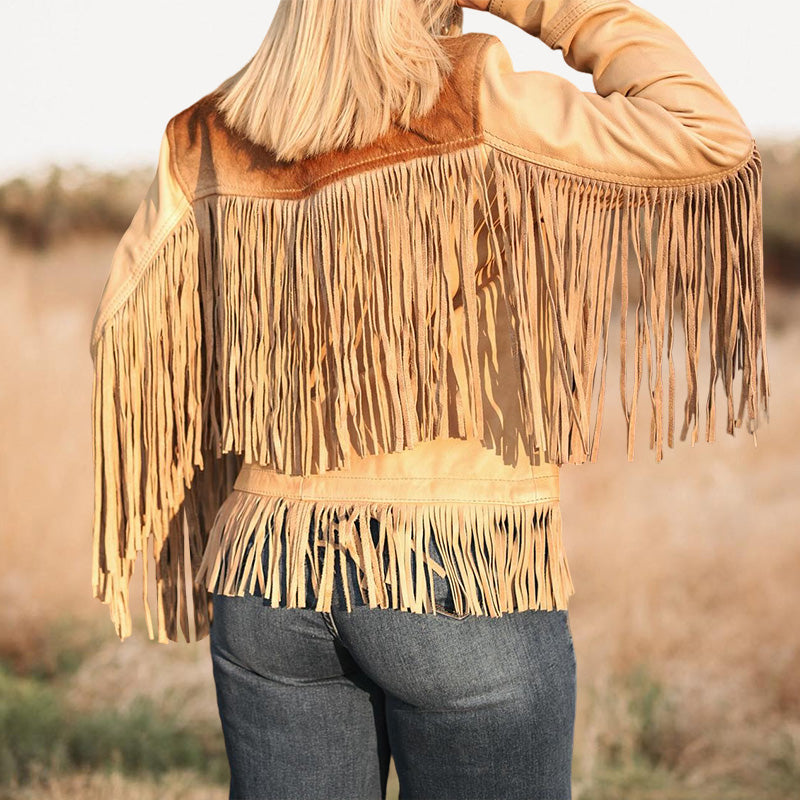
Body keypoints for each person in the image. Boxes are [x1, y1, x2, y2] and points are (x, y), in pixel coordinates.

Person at [87, 1, 770, 798]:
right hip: (454, 568)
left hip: (267, 566)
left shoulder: (206, 133)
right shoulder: (473, 97)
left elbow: (131, 333)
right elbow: (709, 133)